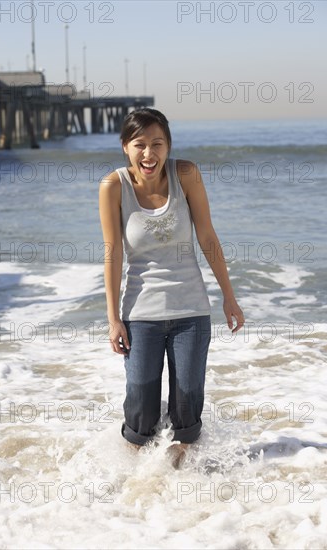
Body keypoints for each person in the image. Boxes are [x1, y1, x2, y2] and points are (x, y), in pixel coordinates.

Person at [99, 108, 244, 461]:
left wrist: (229, 296)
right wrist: (113, 318)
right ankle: (132, 492)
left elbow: (208, 236)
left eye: (157, 144)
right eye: (140, 144)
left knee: (187, 410)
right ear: (125, 147)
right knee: (140, 415)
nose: (149, 153)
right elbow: (113, 253)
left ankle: (181, 493)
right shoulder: (113, 186)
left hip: (190, 311)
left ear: (168, 146)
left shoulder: (186, 174)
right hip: (140, 314)